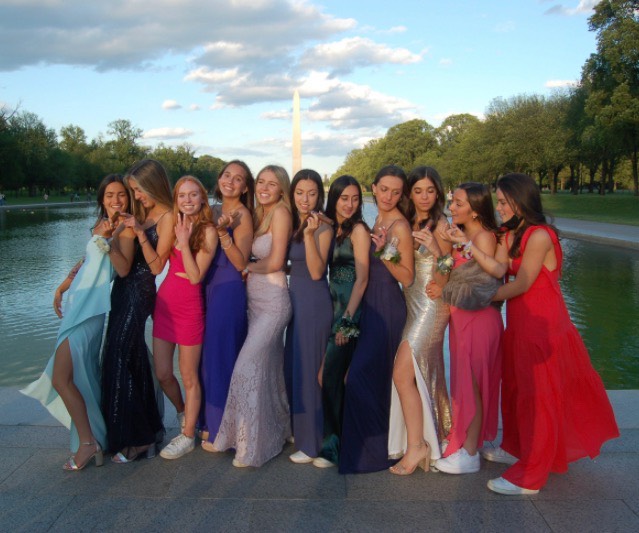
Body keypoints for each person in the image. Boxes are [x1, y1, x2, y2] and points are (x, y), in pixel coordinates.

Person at [460, 173, 619, 495]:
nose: (499, 208)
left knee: (539, 397)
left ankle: (531, 475)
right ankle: (518, 447)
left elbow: (521, 283)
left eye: (504, 202)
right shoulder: (512, 234)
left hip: (543, 327)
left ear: (521, 200)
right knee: (517, 389)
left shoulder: (540, 235)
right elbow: (500, 270)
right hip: (519, 324)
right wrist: (467, 251)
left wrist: (478, 297)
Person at [22, 174, 135, 470]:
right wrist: (63, 285)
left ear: (128, 198)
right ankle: (93, 439)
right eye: (110, 195)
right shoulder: (100, 226)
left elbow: (122, 271)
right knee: (71, 377)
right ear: (102, 199)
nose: (116, 200)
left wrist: (109, 242)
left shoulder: (126, 230)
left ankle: (89, 443)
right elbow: (86, 262)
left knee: (61, 378)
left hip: (91, 313)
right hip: (77, 306)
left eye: (121, 195)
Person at [213, 165, 293, 467]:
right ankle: (280, 428)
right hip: (253, 301)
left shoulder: (282, 213)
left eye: (272, 184)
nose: (264, 188)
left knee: (246, 368)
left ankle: (248, 444)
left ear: (281, 190)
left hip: (274, 302)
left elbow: (275, 262)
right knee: (269, 372)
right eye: (261, 182)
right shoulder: (257, 213)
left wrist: (245, 267)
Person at [339, 165, 414, 474]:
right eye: (384, 189)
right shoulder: (377, 218)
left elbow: (407, 277)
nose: (388, 196)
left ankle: (374, 451)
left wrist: (386, 253)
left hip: (387, 306)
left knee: (359, 377)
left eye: (396, 192)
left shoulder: (400, 226)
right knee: (370, 377)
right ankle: (375, 445)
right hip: (370, 304)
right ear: (373, 187)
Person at [102, 159, 174, 463]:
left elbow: (157, 266)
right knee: (128, 355)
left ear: (153, 184)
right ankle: (148, 430)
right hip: (121, 289)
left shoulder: (168, 216)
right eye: (132, 190)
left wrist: (140, 233)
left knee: (118, 353)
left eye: (138, 189)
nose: (136, 195)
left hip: (141, 291)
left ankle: (140, 439)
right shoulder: (139, 212)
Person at [433, 182, 503, 475]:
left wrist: (463, 244)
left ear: (475, 209)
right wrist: (438, 247)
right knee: (464, 383)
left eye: (458, 203)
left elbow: (484, 284)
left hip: (478, 318)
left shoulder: (484, 237)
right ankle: (464, 442)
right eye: (452, 203)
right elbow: (447, 276)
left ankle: (470, 453)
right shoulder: (463, 234)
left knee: (473, 385)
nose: (451, 208)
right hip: (460, 318)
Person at [388, 166, 452, 475]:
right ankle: (427, 438)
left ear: (437, 193)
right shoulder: (405, 223)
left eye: (430, 190)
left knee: (401, 374)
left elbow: (447, 269)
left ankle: (418, 447)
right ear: (410, 194)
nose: (424, 196)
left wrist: (438, 249)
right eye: (418, 190)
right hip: (411, 305)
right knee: (416, 374)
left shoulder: (441, 225)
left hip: (431, 306)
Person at [153, 176, 218, 460]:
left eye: (193, 195)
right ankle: (183, 412)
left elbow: (194, 276)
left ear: (202, 198)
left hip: (190, 308)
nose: (188, 200)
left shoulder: (208, 231)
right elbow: (157, 264)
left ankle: (188, 434)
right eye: (182, 195)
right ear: (176, 199)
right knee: (163, 373)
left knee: (189, 376)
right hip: (165, 305)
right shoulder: (174, 223)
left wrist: (182, 242)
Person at [314, 175, 370, 468]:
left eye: (355, 198)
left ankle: (333, 447)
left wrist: (347, 323)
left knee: (330, 377)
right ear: (333, 198)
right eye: (343, 198)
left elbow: (362, 280)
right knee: (329, 376)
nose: (349, 204)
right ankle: (342, 439)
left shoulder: (358, 230)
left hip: (349, 310)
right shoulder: (333, 228)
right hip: (334, 307)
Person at [199, 161, 254, 451]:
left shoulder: (242, 215)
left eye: (238, 179)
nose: (230, 181)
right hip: (206, 285)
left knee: (221, 356)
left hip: (227, 289)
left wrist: (223, 234)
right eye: (226, 175)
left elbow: (241, 262)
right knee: (207, 358)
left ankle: (223, 428)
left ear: (246, 187)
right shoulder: (210, 209)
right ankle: (208, 420)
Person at [284, 169, 334, 464]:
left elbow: (317, 271)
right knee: (296, 369)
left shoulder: (322, 228)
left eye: (312, 193)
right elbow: (298, 265)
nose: (305, 198)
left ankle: (313, 442)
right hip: (296, 300)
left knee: (310, 372)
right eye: (300, 192)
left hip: (314, 303)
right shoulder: (295, 222)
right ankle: (301, 432)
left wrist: (310, 234)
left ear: (320, 195)